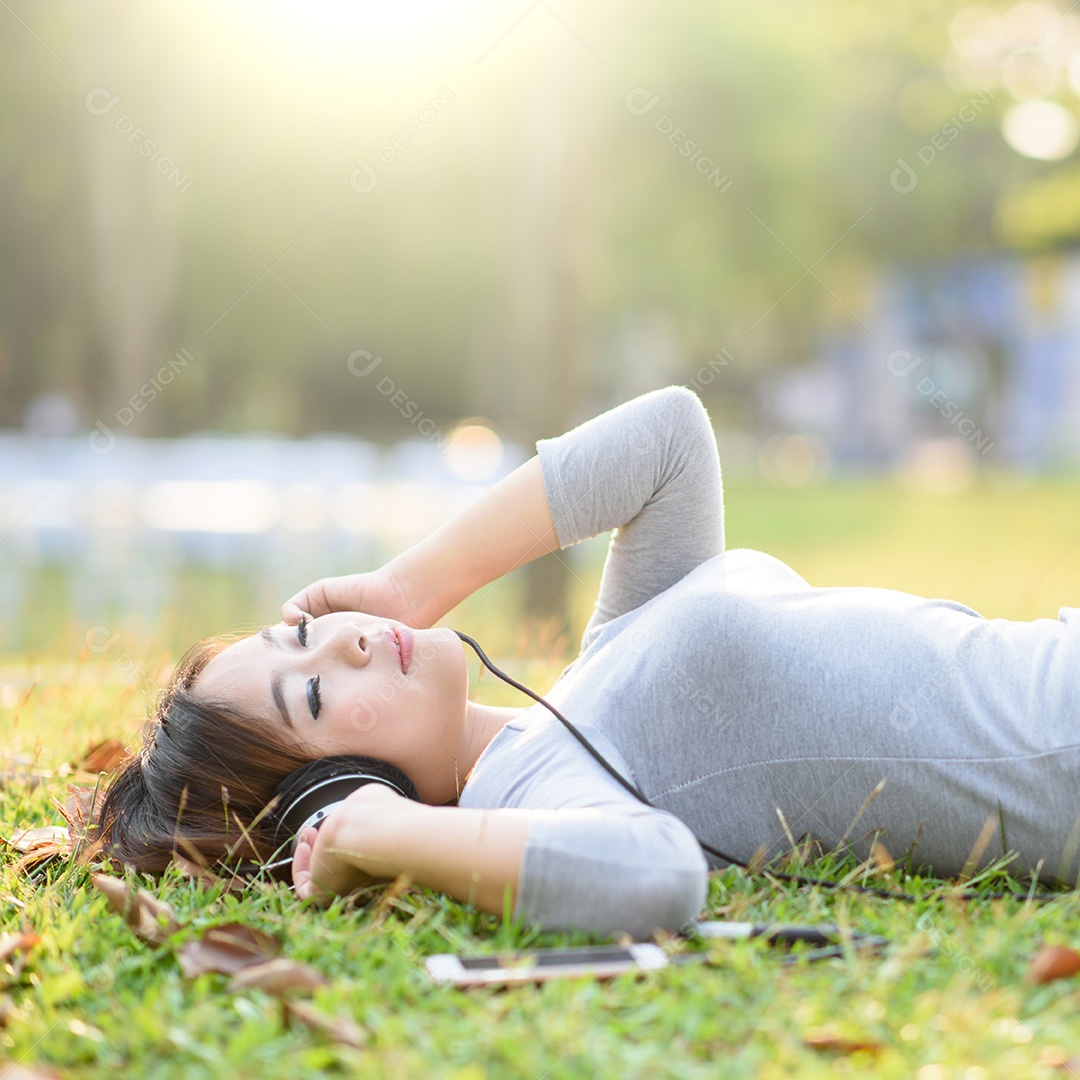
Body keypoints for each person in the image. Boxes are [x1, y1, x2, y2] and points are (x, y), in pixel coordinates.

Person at [99, 386, 1080, 940]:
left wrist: (412, 581)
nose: (345, 638)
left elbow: (670, 442)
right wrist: (387, 832)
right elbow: (654, 880)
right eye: (312, 691)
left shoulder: (592, 675)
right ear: (337, 790)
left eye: (301, 630)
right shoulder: (541, 787)